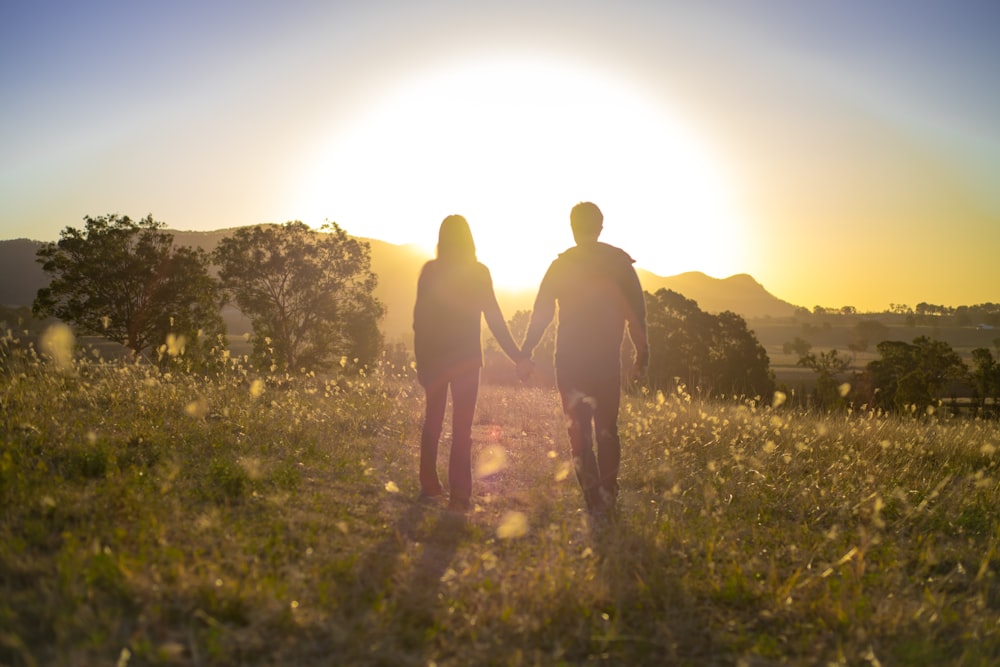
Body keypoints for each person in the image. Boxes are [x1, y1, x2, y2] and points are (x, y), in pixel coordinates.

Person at [518, 202, 648, 518]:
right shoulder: (620, 265)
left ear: (572, 227)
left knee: (579, 433)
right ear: (600, 227)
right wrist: (642, 356)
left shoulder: (561, 266)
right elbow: (637, 316)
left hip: (570, 363)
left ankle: (593, 498)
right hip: (606, 362)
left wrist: (527, 351)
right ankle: (608, 494)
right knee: (608, 430)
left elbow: (542, 313)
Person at [413, 215, 525, 512]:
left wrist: (421, 361)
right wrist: (517, 355)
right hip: (466, 361)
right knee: (462, 429)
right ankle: (460, 495)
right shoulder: (479, 272)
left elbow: (419, 321)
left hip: (436, 359)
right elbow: (495, 319)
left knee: (432, 423)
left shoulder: (431, 271)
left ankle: (429, 488)